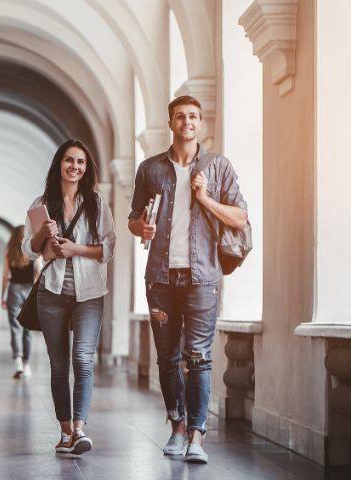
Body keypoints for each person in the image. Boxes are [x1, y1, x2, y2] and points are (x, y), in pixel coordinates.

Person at [128, 95, 248, 464]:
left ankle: (196, 435)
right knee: (167, 357)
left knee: (198, 357)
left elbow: (240, 218)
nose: (187, 122)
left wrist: (205, 198)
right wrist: (140, 226)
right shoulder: (150, 169)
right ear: (171, 122)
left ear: (200, 123)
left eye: (193, 116)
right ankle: (177, 427)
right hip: (160, 279)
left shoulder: (218, 167)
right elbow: (133, 219)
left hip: (202, 278)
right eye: (180, 116)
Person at [22, 139, 116, 455]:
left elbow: (108, 248)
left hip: (89, 293)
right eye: (69, 161)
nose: (74, 167)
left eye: (80, 162)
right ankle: (64, 432)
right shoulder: (41, 203)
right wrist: (42, 232)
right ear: (59, 164)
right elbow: (28, 251)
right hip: (52, 292)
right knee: (59, 364)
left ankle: (79, 429)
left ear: (86, 168)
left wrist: (75, 249)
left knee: (83, 359)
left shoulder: (97, 203)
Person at [1, 225, 38, 378]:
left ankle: (18, 362)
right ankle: (27, 364)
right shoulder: (33, 251)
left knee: (15, 328)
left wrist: (2, 296)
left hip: (13, 290)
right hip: (29, 290)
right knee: (27, 330)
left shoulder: (9, 252)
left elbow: (4, 276)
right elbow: (38, 273)